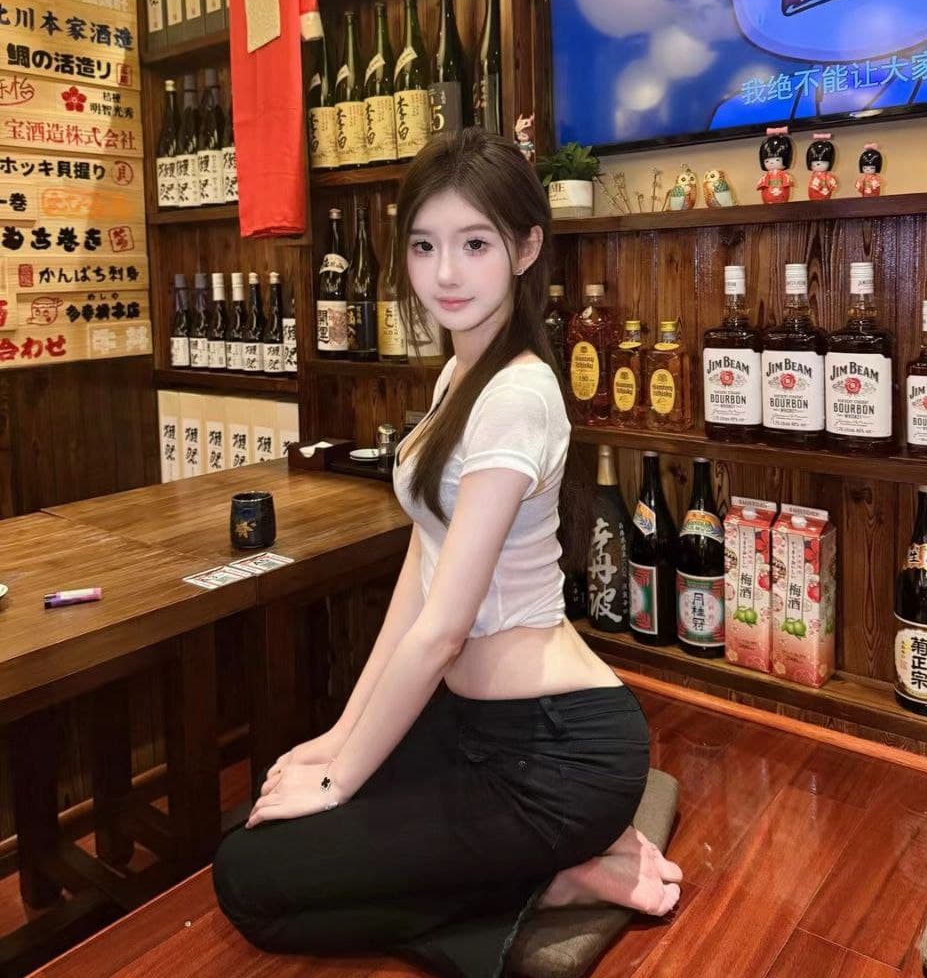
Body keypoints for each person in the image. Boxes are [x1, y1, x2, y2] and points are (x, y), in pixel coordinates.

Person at [213, 130, 682, 977]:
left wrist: (342, 779)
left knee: (249, 882)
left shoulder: (516, 395)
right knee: (256, 817)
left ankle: (547, 884)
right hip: (469, 724)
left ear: (526, 248)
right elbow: (420, 570)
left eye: (475, 244)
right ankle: (533, 876)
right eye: (425, 246)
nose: (446, 274)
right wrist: (339, 737)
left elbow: (442, 631)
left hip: (558, 753)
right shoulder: (457, 376)